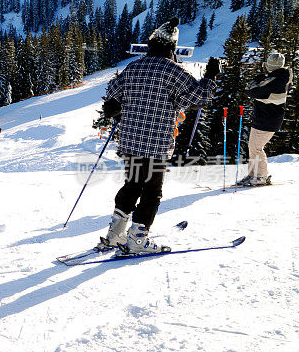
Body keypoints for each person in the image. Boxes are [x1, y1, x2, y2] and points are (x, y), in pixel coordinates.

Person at [100, 18, 219, 254]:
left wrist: (117, 107)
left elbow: (112, 98)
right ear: (172, 48)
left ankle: (115, 233)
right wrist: (210, 78)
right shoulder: (174, 71)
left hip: (131, 141)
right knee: (152, 191)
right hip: (156, 144)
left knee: (132, 184)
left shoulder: (133, 67)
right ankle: (138, 239)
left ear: (151, 44)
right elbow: (197, 99)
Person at [237, 51, 293, 186]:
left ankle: (261, 176)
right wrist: (264, 76)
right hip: (264, 117)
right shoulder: (278, 77)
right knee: (253, 147)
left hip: (267, 119)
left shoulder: (275, 81)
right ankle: (253, 174)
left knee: (256, 148)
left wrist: (259, 79)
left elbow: (250, 90)